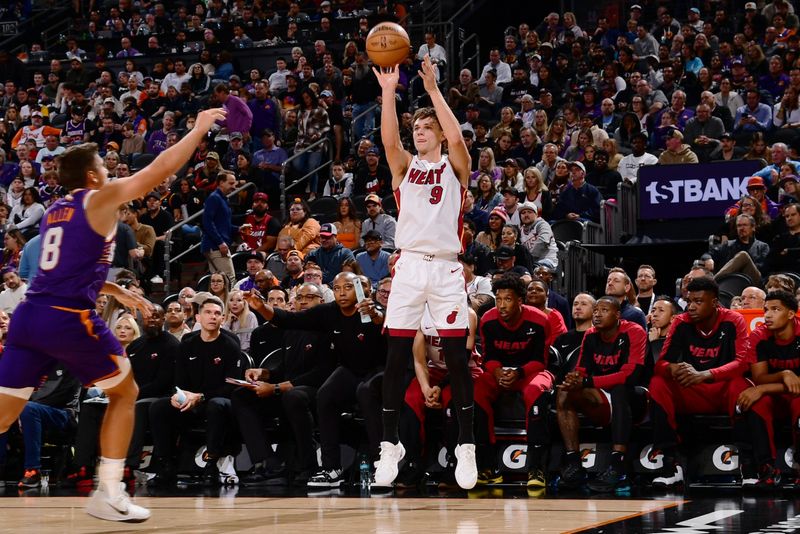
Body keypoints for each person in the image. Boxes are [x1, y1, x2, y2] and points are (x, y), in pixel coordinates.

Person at [0, 107, 225, 522]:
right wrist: (196, 129)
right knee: (125, 393)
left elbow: (66, 267)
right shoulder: (100, 197)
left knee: (4, 413)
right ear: (91, 176)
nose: (107, 169)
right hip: (66, 318)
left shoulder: (54, 212)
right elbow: (159, 168)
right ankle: (109, 490)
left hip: (30, 317)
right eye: (102, 164)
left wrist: (115, 286)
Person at [370, 55, 477, 490]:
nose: (420, 131)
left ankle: (465, 447)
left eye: (426, 127)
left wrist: (433, 90)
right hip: (410, 267)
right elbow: (388, 138)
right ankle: (388, 445)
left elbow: (458, 139)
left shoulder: (455, 167)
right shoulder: (403, 167)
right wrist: (388, 94)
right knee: (396, 358)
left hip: (448, 269)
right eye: (417, 128)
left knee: (456, 359)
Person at [245, 272, 386, 488]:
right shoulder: (328, 312)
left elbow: (382, 321)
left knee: (366, 394)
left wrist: (375, 314)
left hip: (379, 370)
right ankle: (331, 469)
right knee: (325, 396)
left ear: (362, 289)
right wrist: (261, 307)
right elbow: (289, 319)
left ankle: (381, 468)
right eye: (337, 288)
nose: (342, 293)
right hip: (349, 369)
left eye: (348, 287)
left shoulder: (372, 309)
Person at [648, 277, 753, 488]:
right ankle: (670, 463)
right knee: (659, 383)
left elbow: (742, 363)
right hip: (694, 390)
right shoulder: (681, 322)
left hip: (723, 389)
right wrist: (673, 368)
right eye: (689, 301)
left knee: (740, 385)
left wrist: (706, 374)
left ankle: (749, 464)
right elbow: (661, 364)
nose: (692, 306)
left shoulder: (733, 320)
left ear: (714, 302)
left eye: (698, 301)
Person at [233, 282, 335, 487]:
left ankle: (309, 466)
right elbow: (287, 368)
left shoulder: (328, 329)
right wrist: (265, 373)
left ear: (322, 302)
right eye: (299, 297)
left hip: (318, 392)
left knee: (294, 396)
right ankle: (268, 461)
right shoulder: (290, 330)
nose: (304, 301)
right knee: (240, 396)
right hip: (288, 389)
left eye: (310, 297)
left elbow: (322, 373)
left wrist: (277, 388)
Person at [67, 308, 177, 489]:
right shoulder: (136, 346)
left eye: (156, 317)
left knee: (137, 407)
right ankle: (84, 467)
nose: (152, 320)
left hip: (156, 398)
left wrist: (130, 394)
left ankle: (128, 466)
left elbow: (163, 382)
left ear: (163, 319)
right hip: (128, 396)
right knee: (90, 407)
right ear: (142, 319)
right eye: (148, 316)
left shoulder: (171, 345)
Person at [149, 297, 242, 487]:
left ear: (222, 319)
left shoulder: (230, 346)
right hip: (191, 398)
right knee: (158, 407)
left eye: (217, 314)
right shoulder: (187, 345)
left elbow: (231, 386)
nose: (213, 317)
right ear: (198, 317)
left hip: (217, 400)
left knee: (216, 405)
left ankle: (212, 464)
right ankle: (166, 465)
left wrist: (201, 397)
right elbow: (179, 381)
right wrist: (178, 396)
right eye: (208, 312)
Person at [557, 296, 646, 492]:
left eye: (604, 310)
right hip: (601, 394)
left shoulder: (634, 332)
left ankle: (618, 464)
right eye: (596, 310)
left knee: (621, 390)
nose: (597, 314)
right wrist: (573, 379)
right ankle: (574, 462)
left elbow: (629, 375)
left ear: (617, 315)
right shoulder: (590, 335)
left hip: (636, 396)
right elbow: (581, 368)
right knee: (564, 393)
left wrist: (587, 381)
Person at [473, 274, 553, 489]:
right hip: (498, 372)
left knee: (537, 389)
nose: (501, 305)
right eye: (498, 299)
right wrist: (497, 371)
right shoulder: (488, 319)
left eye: (507, 299)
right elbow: (487, 356)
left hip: (529, 372)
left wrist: (518, 372)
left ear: (520, 300)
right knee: (477, 389)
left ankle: (536, 468)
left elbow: (541, 360)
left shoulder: (539, 320)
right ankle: (486, 465)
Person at [736, 290, 800, 488]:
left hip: (795, 396)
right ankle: (766, 467)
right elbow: (759, 377)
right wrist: (785, 375)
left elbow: (762, 385)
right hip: (776, 396)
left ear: (791, 314)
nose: (768, 315)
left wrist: (763, 388)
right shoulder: (759, 335)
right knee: (756, 402)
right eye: (766, 310)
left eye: (775, 309)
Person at [0, 364, 80, 488]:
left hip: (63, 413)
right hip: (31, 407)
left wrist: (20, 404)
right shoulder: (36, 362)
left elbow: (59, 397)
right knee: (3, 408)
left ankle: (33, 470)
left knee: (28, 409)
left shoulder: (70, 362)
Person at [201, 172, 239, 286]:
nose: (234, 186)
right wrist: (220, 242)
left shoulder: (223, 199)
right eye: (231, 183)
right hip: (215, 246)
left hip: (214, 245)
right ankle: (231, 304)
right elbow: (207, 222)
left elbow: (223, 225)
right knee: (229, 279)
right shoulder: (214, 198)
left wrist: (239, 229)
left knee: (217, 282)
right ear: (221, 183)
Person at [518, 202, 558, 270]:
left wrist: (528, 260)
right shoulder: (521, 230)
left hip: (548, 261)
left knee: (534, 269)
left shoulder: (542, 225)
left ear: (536, 214)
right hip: (531, 263)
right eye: (523, 213)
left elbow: (543, 241)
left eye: (529, 212)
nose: (526, 215)